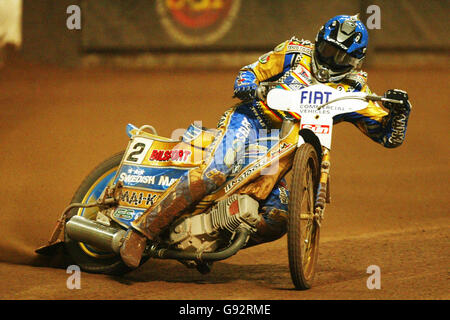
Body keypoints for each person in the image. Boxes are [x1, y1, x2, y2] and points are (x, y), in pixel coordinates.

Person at [119, 14, 412, 268]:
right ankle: (141, 232)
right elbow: (250, 72)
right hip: (253, 119)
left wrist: (399, 113)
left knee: (280, 215)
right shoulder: (295, 52)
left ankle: (207, 243)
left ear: (355, 61)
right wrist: (248, 87)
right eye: (326, 49)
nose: (330, 59)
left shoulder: (356, 88)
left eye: (340, 56)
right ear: (318, 40)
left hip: (293, 147)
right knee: (217, 170)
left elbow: (387, 136)